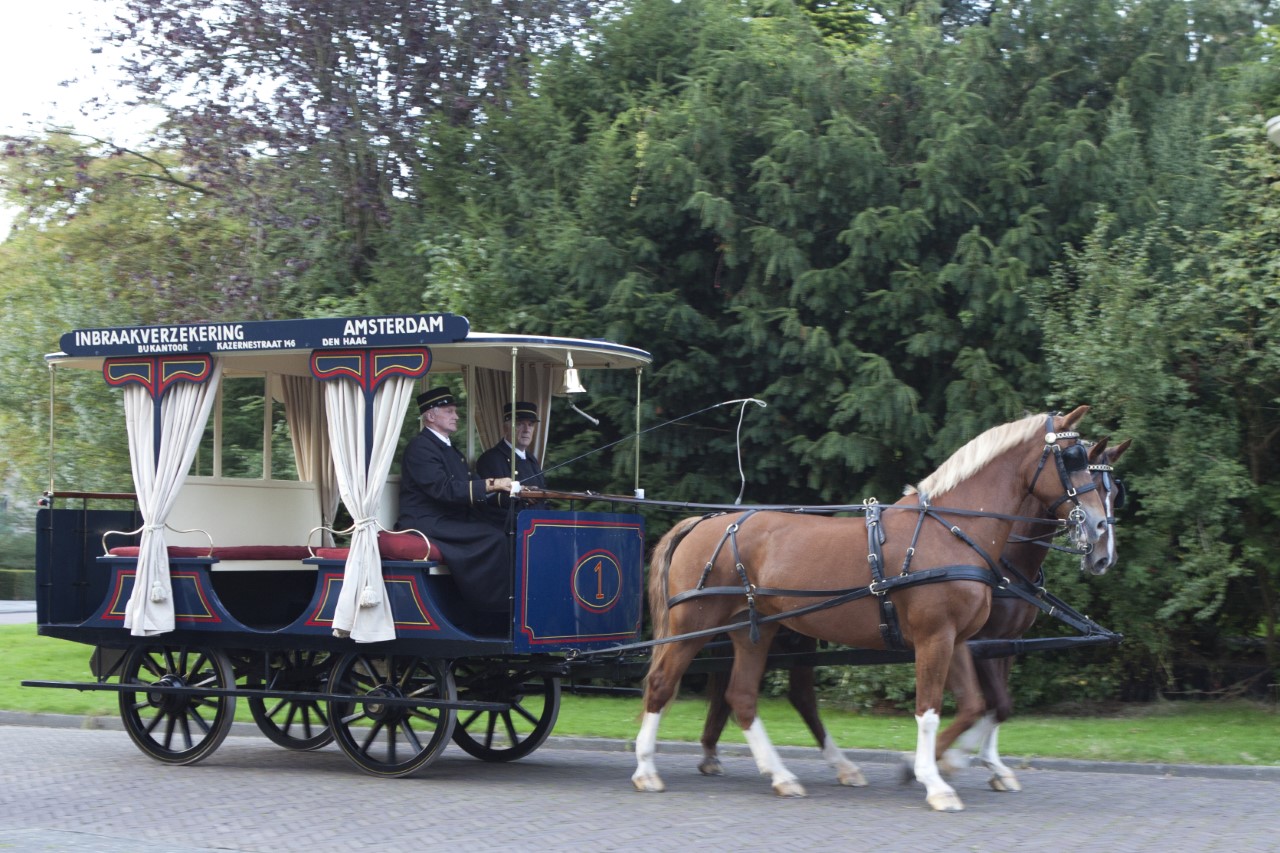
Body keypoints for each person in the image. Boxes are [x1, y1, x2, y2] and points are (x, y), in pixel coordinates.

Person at [396, 386, 515, 614]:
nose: (456, 416)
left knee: (509, 527)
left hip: (449, 517)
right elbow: (444, 490)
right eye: (449, 411)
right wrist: (493, 483)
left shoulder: (447, 449)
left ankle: (501, 602)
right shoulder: (421, 448)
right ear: (431, 416)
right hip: (425, 521)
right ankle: (490, 609)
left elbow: (468, 488)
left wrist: (512, 494)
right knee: (494, 538)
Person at [475, 401, 548, 528]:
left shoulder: (532, 460)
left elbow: (543, 499)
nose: (526, 430)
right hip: (513, 529)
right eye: (520, 424)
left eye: (530, 425)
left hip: (540, 526)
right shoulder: (491, 459)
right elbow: (490, 502)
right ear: (506, 428)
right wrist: (521, 496)